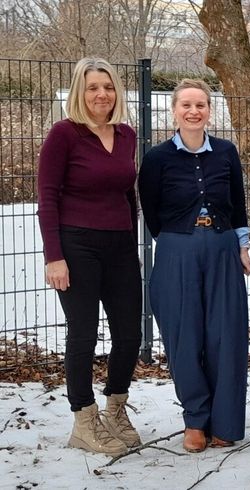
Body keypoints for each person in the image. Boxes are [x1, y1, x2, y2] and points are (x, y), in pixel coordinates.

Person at [138, 79, 250, 453]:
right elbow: (151, 210)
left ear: (209, 109)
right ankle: (195, 420)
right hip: (177, 251)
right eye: (186, 104)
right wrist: (175, 241)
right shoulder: (156, 158)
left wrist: (242, 247)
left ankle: (226, 422)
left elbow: (237, 202)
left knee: (225, 337)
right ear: (174, 111)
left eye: (201, 104)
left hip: (222, 250)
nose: (193, 111)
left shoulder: (226, 152)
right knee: (184, 338)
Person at [37, 57, 142, 456]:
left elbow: (127, 194)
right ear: (80, 92)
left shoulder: (127, 134)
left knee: (129, 333)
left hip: (119, 246)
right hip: (76, 244)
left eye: (109, 87)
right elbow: (47, 196)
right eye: (93, 87)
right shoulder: (64, 134)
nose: (102, 94)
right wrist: (54, 256)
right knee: (83, 334)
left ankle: (116, 407)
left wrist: (131, 241)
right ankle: (83, 419)